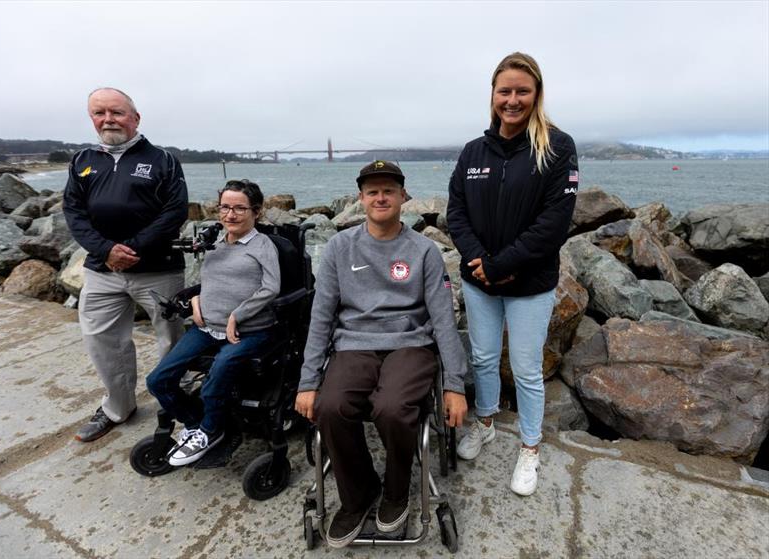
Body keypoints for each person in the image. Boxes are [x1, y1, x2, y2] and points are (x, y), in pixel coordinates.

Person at [295, 161, 468, 549]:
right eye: (372, 191)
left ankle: (396, 490)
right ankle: (357, 496)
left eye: (388, 190)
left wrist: (455, 385)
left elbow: (443, 320)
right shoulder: (340, 247)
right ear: (360, 199)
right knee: (330, 406)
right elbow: (321, 317)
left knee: (392, 408)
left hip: (410, 344)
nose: (380, 197)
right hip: (355, 344)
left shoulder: (424, 251)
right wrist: (308, 382)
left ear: (404, 197)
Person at [447, 52, 579, 496]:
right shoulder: (473, 152)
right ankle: (484, 422)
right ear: (493, 94)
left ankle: (529, 448)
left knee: (524, 369)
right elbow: (456, 212)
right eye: (505, 90)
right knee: (483, 358)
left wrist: (503, 264)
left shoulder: (558, 148)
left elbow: (554, 223)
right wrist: (479, 261)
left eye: (522, 91)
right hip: (480, 281)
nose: (513, 99)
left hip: (529, 284)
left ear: (536, 94)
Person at [64, 87, 189, 442]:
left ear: (135, 118)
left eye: (116, 112)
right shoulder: (81, 160)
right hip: (102, 271)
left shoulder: (163, 159)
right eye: (99, 113)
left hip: (158, 270)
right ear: (92, 119)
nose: (108, 120)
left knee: (171, 341)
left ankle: (174, 408)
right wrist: (105, 251)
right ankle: (118, 407)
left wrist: (131, 248)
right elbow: (73, 212)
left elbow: (174, 211)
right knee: (103, 342)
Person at [146, 180, 280, 466]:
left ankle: (209, 430)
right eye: (225, 207)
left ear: (255, 212)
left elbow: (271, 288)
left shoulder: (262, 244)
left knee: (214, 379)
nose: (230, 215)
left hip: (249, 330)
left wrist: (237, 315)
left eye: (239, 208)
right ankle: (197, 424)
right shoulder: (216, 242)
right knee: (158, 380)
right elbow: (210, 283)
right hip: (207, 326)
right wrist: (196, 301)